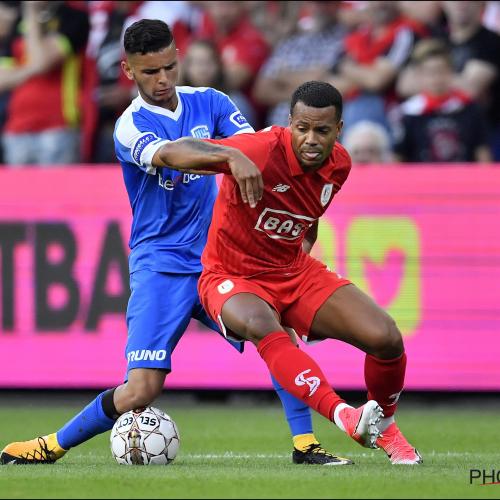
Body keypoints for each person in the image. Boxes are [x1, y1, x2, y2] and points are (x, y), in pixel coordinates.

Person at [0, 20, 346, 467]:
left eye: (169, 67)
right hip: (162, 262)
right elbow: (168, 154)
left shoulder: (213, 102)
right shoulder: (129, 126)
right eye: (149, 72)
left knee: (274, 332)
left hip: (220, 259)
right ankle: (51, 445)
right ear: (127, 70)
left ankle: (305, 444)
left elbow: (251, 148)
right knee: (141, 389)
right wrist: (229, 155)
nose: (162, 80)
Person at [135, 81, 423, 465]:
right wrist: (230, 158)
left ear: (339, 129)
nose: (310, 139)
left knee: (386, 338)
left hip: (292, 271)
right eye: (302, 127)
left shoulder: (340, 164)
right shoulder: (259, 149)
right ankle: (345, 416)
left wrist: (301, 256)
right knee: (260, 322)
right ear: (289, 123)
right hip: (230, 276)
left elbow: (308, 215)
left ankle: (384, 426)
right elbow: (171, 152)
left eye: (322, 130)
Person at [0, 1, 89, 166]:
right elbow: (2, 79)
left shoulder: (74, 17)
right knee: (17, 192)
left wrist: (31, 13)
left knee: (58, 191)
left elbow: (41, 61)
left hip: (58, 126)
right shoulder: (19, 21)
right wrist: (31, 69)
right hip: (16, 128)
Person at [394, 39, 492, 163]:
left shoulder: (469, 108)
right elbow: (398, 157)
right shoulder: (410, 112)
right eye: (430, 72)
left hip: (463, 179)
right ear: (420, 75)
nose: (437, 78)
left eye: (441, 71)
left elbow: (482, 153)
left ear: (451, 72)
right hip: (422, 180)